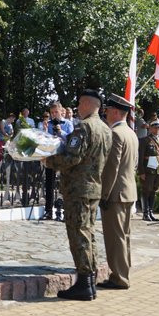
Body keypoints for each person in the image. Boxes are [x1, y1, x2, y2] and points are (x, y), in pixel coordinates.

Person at [43, 89, 112, 301]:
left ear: (89, 104)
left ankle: (84, 283)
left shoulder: (84, 127)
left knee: (78, 234)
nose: (79, 108)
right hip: (93, 189)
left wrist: (48, 161)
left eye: (81, 104)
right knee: (88, 234)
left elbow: (72, 158)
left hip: (78, 189)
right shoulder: (105, 129)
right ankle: (89, 283)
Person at [98, 94, 139, 290]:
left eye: (107, 111)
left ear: (115, 112)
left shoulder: (115, 134)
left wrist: (104, 194)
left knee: (115, 238)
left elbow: (111, 168)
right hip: (128, 191)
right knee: (124, 236)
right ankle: (123, 272)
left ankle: (119, 277)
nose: (105, 114)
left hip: (115, 194)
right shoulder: (130, 133)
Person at [42, 101, 74, 220]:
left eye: (56, 112)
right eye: (52, 112)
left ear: (61, 111)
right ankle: (48, 211)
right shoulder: (48, 123)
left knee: (65, 184)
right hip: (51, 157)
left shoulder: (68, 123)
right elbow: (45, 140)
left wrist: (61, 132)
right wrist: (44, 131)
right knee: (49, 184)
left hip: (64, 156)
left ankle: (65, 211)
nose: (54, 114)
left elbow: (71, 140)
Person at [138, 119, 159, 221]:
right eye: (155, 127)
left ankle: (151, 212)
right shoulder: (144, 140)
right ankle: (145, 213)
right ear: (150, 128)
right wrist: (141, 172)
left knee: (153, 191)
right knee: (146, 191)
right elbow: (140, 157)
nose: (157, 129)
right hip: (148, 170)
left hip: (158, 170)